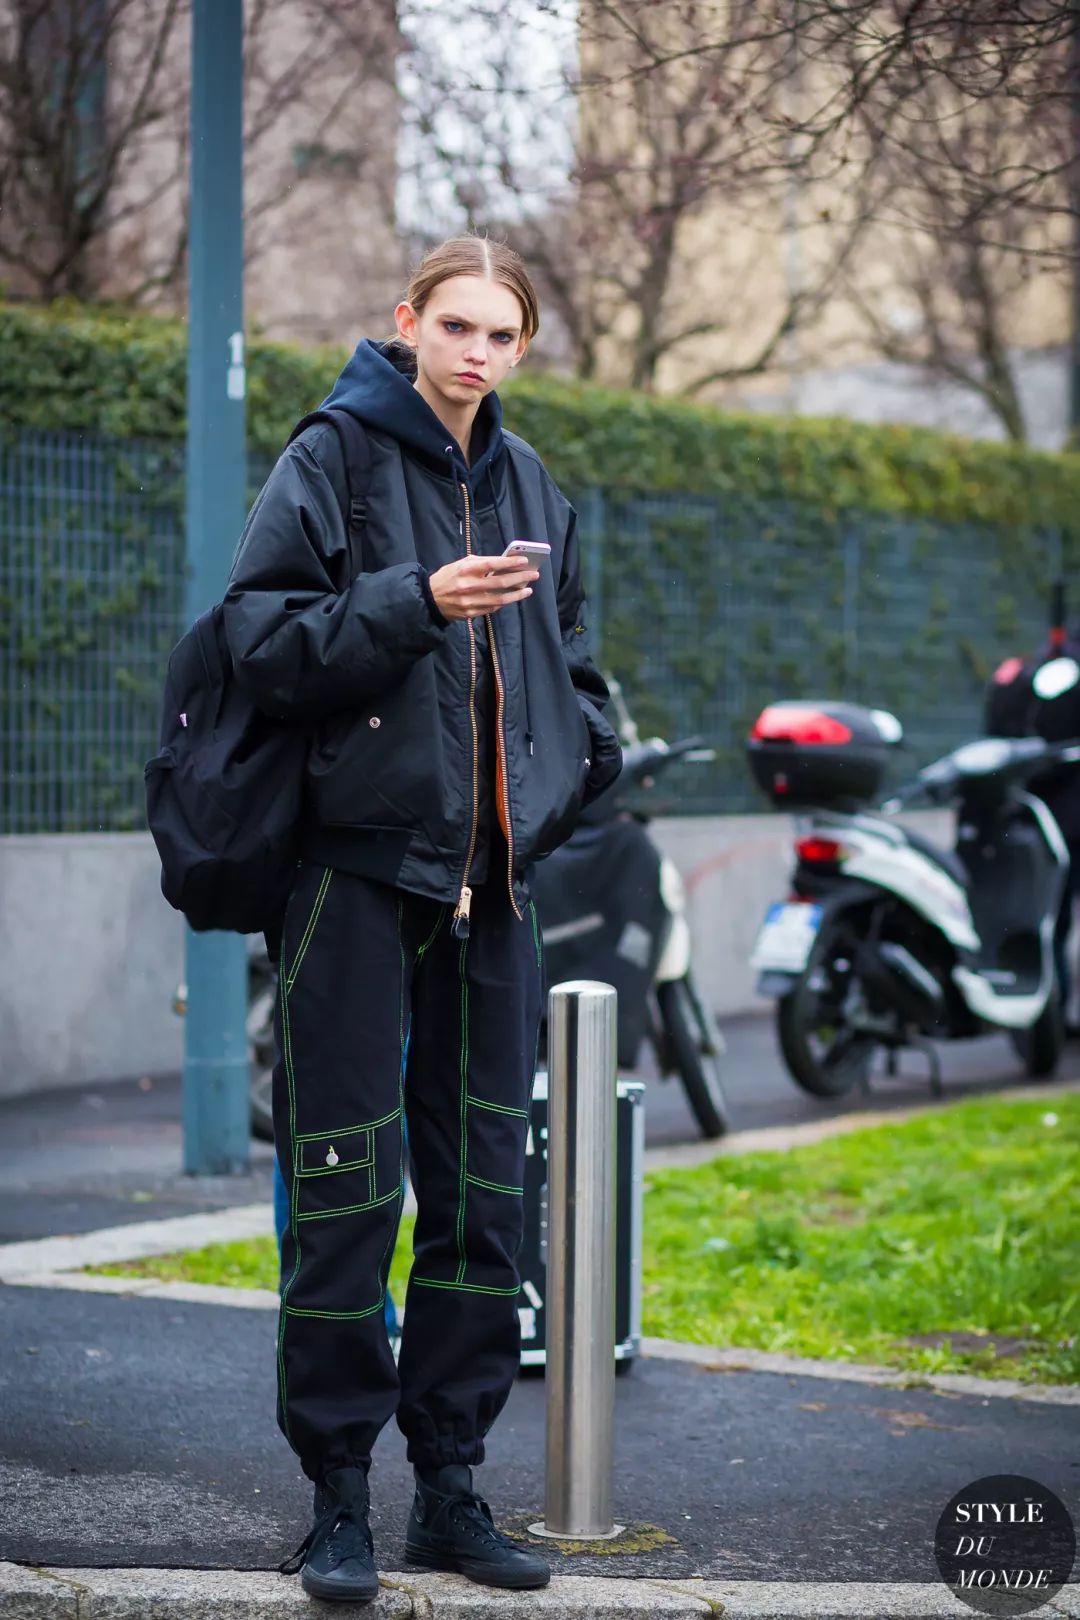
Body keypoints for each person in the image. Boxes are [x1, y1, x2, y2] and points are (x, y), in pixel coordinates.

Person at [223, 234, 622, 1603]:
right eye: (457, 326)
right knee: (347, 1189)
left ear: (523, 346)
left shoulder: (533, 484)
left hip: (493, 889)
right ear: (408, 321)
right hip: (353, 877)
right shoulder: (330, 457)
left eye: (502, 335)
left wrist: (564, 783)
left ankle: (449, 1490)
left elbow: (576, 671)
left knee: (484, 1200)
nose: (477, 354)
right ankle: (337, 1498)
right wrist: (415, 602)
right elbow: (261, 642)